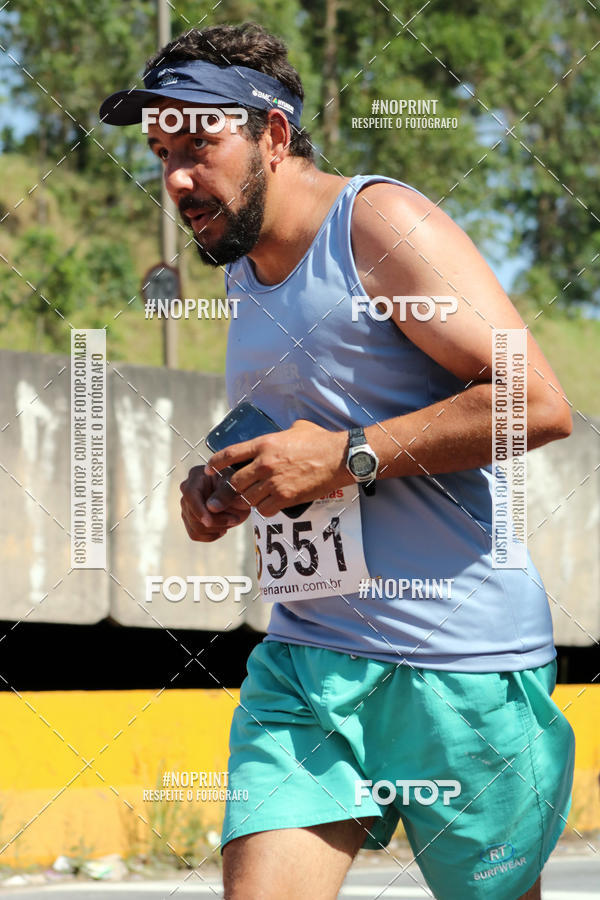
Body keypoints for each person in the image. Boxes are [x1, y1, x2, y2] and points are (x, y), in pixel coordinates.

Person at [100, 22, 575, 900]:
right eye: (161, 152)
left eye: (199, 147)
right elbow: (301, 436)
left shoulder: (379, 222)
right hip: (310, 663)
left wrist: (348, 457)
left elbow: (536, 402)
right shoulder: (241, 269)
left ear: (273, 136)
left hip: (455, 663)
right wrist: (221, 487)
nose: (175, 179)